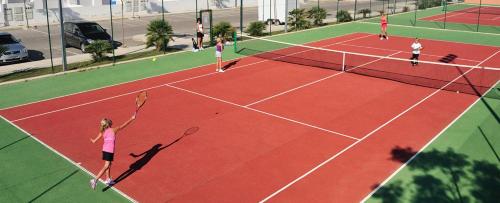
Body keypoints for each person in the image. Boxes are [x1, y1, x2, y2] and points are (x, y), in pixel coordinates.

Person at [89, 115, 136, 189]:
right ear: (109, 124)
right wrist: (132, 119)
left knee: (109, 164)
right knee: (106, 165)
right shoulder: (113, 130)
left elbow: (100, 134)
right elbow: (124, 125)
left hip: (105, 150)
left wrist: (94, 140)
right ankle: (94, 180)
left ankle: (108, 179)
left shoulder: (104, 130)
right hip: (109, 150)